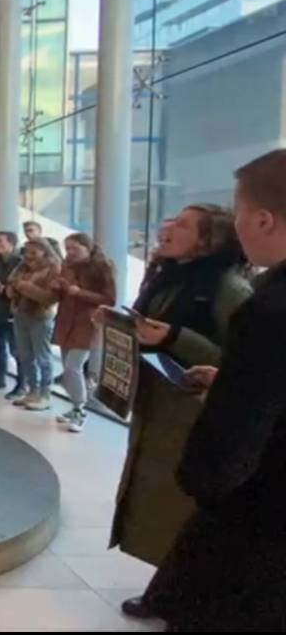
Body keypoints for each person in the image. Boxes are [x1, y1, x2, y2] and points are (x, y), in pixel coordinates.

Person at [121, 150, 286, 630]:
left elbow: (227, 449)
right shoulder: (170, 279)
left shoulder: (259, 304)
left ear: (261, 219)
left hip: (255, 512)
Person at [131, 203, 253, 368]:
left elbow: (244, 364)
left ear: (206, 241)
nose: (168, 226)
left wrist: (175, 338)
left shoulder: (231, 290)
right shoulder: (165, 278)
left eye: (181, 225)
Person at [51, 232, 116, 432]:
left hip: (87, 324)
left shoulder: (103, 268)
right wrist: (58, 288)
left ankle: (80, 408)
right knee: (67, 366)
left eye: (74, 249)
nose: (70, 253)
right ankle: (75, 405)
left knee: (73, 367)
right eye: (67, 248)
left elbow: (110, 299)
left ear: (87, 248)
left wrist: (79, 293)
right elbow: (64, 292)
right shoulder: (67, 265)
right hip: (66, 320)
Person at [5, 238, 60, 411]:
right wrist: (15, 289)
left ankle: (45, 393)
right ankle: (32, 390)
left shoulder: (53, 269)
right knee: (25, 355)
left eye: (33, 252)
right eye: (27, 252)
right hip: (20, 314)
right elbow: (10, 285)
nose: (29, 256)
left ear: (44, 251)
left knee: (42, 356)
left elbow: (49, 298)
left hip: (40, 317)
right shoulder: (21, 267)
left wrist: (24, 287)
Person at [0, 231, 23, 392]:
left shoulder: (19, 263)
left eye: (0, 241)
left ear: (11, 243)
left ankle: (21, 383)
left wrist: (3, 288)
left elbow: (18, 286)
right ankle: (0, 377)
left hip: (12, 311)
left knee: (17, 349)